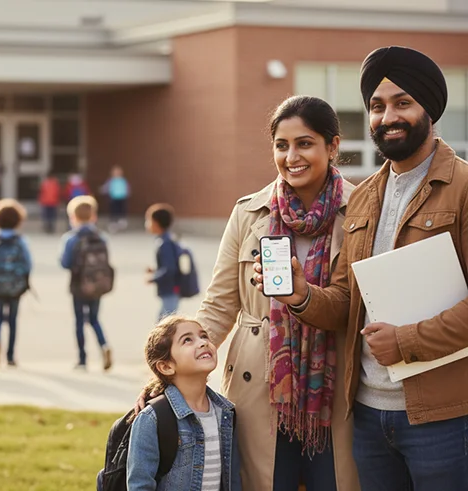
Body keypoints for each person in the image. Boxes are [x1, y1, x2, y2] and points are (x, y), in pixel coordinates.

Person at [253, 46, 468, 490]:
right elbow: (349, 300)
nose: (388, 116)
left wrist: (406, 341)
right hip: (368, 417)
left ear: (430, 109)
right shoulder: (365, 196)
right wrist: (300, 295)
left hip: (446, 418)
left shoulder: (463, 188)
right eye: (377, 106)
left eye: (402, 103)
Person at [140, 96, 360, 490]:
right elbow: (220, 304)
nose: (291, 156)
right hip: (259, 389)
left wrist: (302, 293)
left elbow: (357, 305)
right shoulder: (249, 213)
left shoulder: (361, 210)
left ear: (333, 146)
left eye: (305, 143)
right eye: (281, 145)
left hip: (334, 390)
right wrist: (168, 376)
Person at [127, 315, 242, 491]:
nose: (203, 342)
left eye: (204, 336)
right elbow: (140, 485)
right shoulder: (152, 419)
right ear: (166, 366)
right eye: (187, 340)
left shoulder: (225, 412)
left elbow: (232, 481)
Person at [60, 195, 113, 371]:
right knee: (94, 318)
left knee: (79, 321)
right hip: (97, 285)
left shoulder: (71, 238)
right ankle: (104, 345)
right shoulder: (102, 237)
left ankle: (82, 359)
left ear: (73, 217)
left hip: (78, 285)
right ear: (93, 216)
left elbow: (66, 263)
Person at [0, 199, 32, 368]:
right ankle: (10, 355)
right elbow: (27, 264)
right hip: (16, 287)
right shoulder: (21, 241)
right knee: (12, 320)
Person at [145, 204, 181, 320]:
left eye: (149, 220)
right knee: (164, 321)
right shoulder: (166, 239)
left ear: (156, 223)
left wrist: (154, 278)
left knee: (165, 323)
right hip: (170, 288)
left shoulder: (165, 243)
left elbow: (169, 269)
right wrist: (155, 270)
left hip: (170, 288)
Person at [101, 166, 130, 233]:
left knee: (122, 209)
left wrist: (127, 193)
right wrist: (103, 190)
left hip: (122, 198)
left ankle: (121, 220)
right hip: (114, 198)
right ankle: (113, 223)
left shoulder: (123, 180)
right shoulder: (111, 180)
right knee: (114, 210)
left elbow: (127, 187)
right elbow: (106, 187)